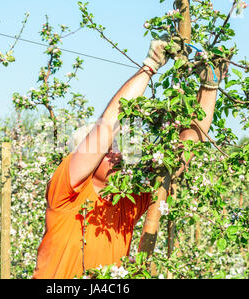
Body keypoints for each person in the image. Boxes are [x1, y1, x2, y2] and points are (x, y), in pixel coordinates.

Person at [32, 33, 228, 279]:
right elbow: (106, 127)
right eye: (109, 148)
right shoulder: (68, 192)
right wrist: (150, 66)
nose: (118, 151)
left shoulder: (126, 199)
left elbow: (181, 156)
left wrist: (210, 88)